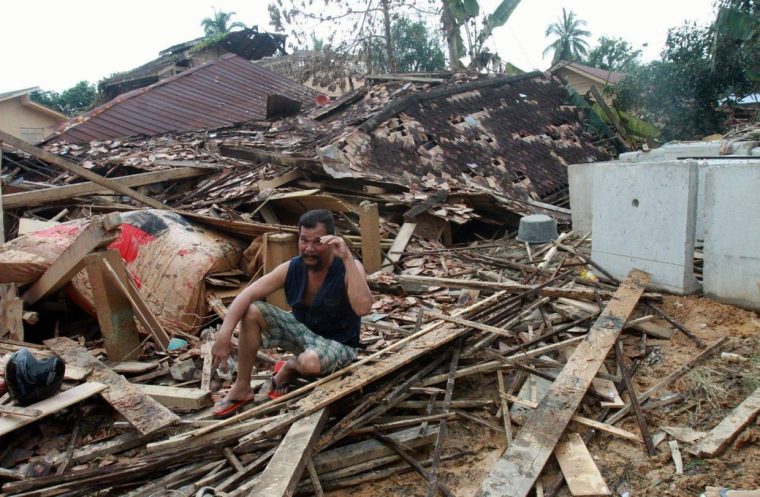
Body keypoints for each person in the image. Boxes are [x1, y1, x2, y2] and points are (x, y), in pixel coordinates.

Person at [211, 209, 374, 416]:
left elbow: (363, 308)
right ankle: (242, 387)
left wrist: (348, 258)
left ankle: (290, 367)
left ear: (332, 241)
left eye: (317, 242)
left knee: (309, 362)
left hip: (338, 343)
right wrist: (224, 336)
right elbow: (247, 294)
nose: (309, 248)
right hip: (304, 333)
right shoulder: (293, 267)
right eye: (303, 240)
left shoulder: (349, 267)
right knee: (251, 310)